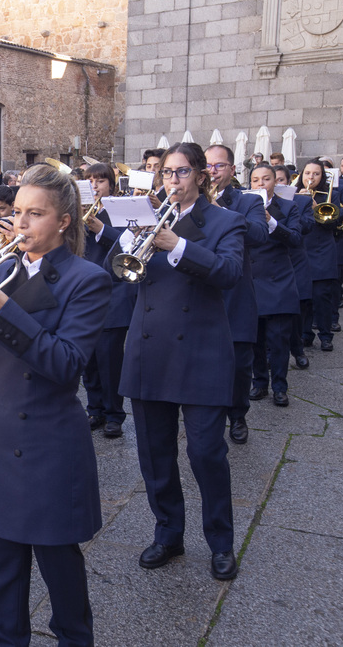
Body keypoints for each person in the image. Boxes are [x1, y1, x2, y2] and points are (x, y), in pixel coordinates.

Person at [0, 164, 109, 645]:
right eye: (17, 212)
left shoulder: (87, 279)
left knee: (60, 569)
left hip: (45, 446)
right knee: (1, 574)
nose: (19, 224)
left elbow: (66, 364)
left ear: (64, 221)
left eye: (34, 214)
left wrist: (4, 309)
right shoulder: (0, 267)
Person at [119, 142, 246, 580]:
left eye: (182, 172)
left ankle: (221, 542)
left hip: (201, 351)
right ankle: (168, 533)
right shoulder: (145, 220)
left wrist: (178, 246)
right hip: (149, 349)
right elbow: (117, 274)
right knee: (155, 454)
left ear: (201, 176)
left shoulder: (227, 221)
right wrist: (115, 237)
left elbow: (230, 273)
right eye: (166, 173)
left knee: (207, 452)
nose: (173, 180)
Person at [205, 144, 268, 444]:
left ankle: (238, 415)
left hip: (236, 291)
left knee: (240, 364)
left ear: (232, 169)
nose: (213, 171)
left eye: (219, 166)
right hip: (201, 291)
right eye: (208, 166)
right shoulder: (187, 200)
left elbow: (259, 234)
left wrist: (221, 213)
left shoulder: (249, 200)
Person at [82, 162, 135, 438]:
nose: (94, 185)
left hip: (113, 293)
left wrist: (100, 228)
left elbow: (127, 247)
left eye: (100, 181)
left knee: (109, 359)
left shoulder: (119, 211)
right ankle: (95, 408)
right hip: (84, 295)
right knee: (88, 359)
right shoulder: (77, 210)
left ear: (111, 185)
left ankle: (115, 413)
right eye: (90, 181)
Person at [248, 164, 302, 407]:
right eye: (255, 180)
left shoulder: (289, 206)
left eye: (266, 179)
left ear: (275, 183)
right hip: (252, 278)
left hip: (279, 280)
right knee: (255, 338)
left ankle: (280, 386)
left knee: (279, 339)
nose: (260, 184)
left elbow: (296, 239)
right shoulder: (243, 206)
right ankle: (259, 382)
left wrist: (271, 222)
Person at [299, 160, 343, 352]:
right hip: (302, 249)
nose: (311, 177)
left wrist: (319, 208)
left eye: (316, 174)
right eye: (307, 173)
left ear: (322, 176)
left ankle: (325, 335)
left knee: (322, 295)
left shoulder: (332, 193)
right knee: (304, 297)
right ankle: (305, 334)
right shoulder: (294, 193)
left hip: (323, 248)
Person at [276, 165, 314, 371]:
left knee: (296, 310)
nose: (276, 184)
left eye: (281, 180)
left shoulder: (301, 201)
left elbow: (307, 227)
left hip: (295, 260)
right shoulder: (256, 202)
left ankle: (297, 349)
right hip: (270, 264)